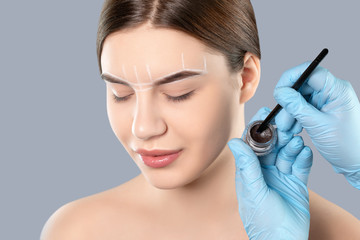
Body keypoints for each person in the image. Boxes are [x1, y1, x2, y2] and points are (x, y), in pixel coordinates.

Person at [40, 0, 360, 239]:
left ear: (246, 77)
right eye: (120, 93)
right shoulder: (75, 230)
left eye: (179, 92)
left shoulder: (339, 232)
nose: (143, 127)